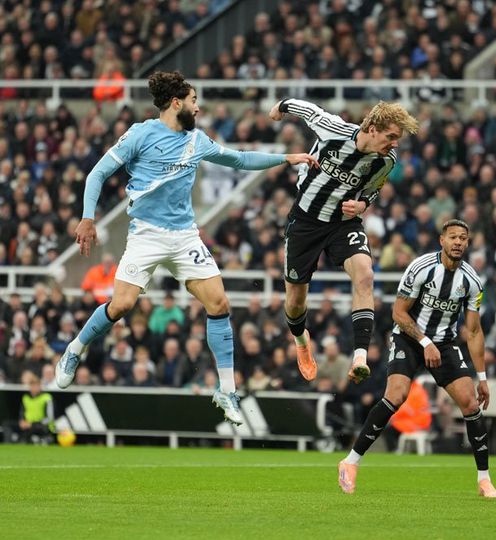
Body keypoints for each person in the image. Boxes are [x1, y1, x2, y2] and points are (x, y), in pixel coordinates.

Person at [55, 71, 318, 426]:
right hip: (146, 235)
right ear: (176, 103)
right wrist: (88, 218)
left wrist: (286, 158)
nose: (199, 107)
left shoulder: (198, 140)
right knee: (122, 305)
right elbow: (96, 174)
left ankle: (227, 390)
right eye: (194, 101)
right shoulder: (140, 134)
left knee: (220, 303)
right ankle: (75, 350)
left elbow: (239, 159)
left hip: (184, 237)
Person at [337, 220, 496, 498]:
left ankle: (484, 480)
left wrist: (482, 378)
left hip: (445, 343)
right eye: (453, 237)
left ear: (468, 244)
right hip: (409, 338)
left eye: (463, 238)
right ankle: (351, 462)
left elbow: (473, 331)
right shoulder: (421, 267)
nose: (458, 242)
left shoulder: (472, 281)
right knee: (396, 396)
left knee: (471, 404)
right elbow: (398, 312)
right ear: (442, 241)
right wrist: (425, 342)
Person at [267, 98, 419, 384]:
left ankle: (359, 356)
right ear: (372, 128)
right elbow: (305, 108)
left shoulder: (386, 160)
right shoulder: (333, 129)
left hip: (342, 224)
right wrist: (280, 107)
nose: (395, 144)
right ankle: (301, 340)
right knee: (295, 301)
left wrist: (362, 207)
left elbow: (372, 191)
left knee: (365, 274)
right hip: (305, 222)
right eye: (391, 137)